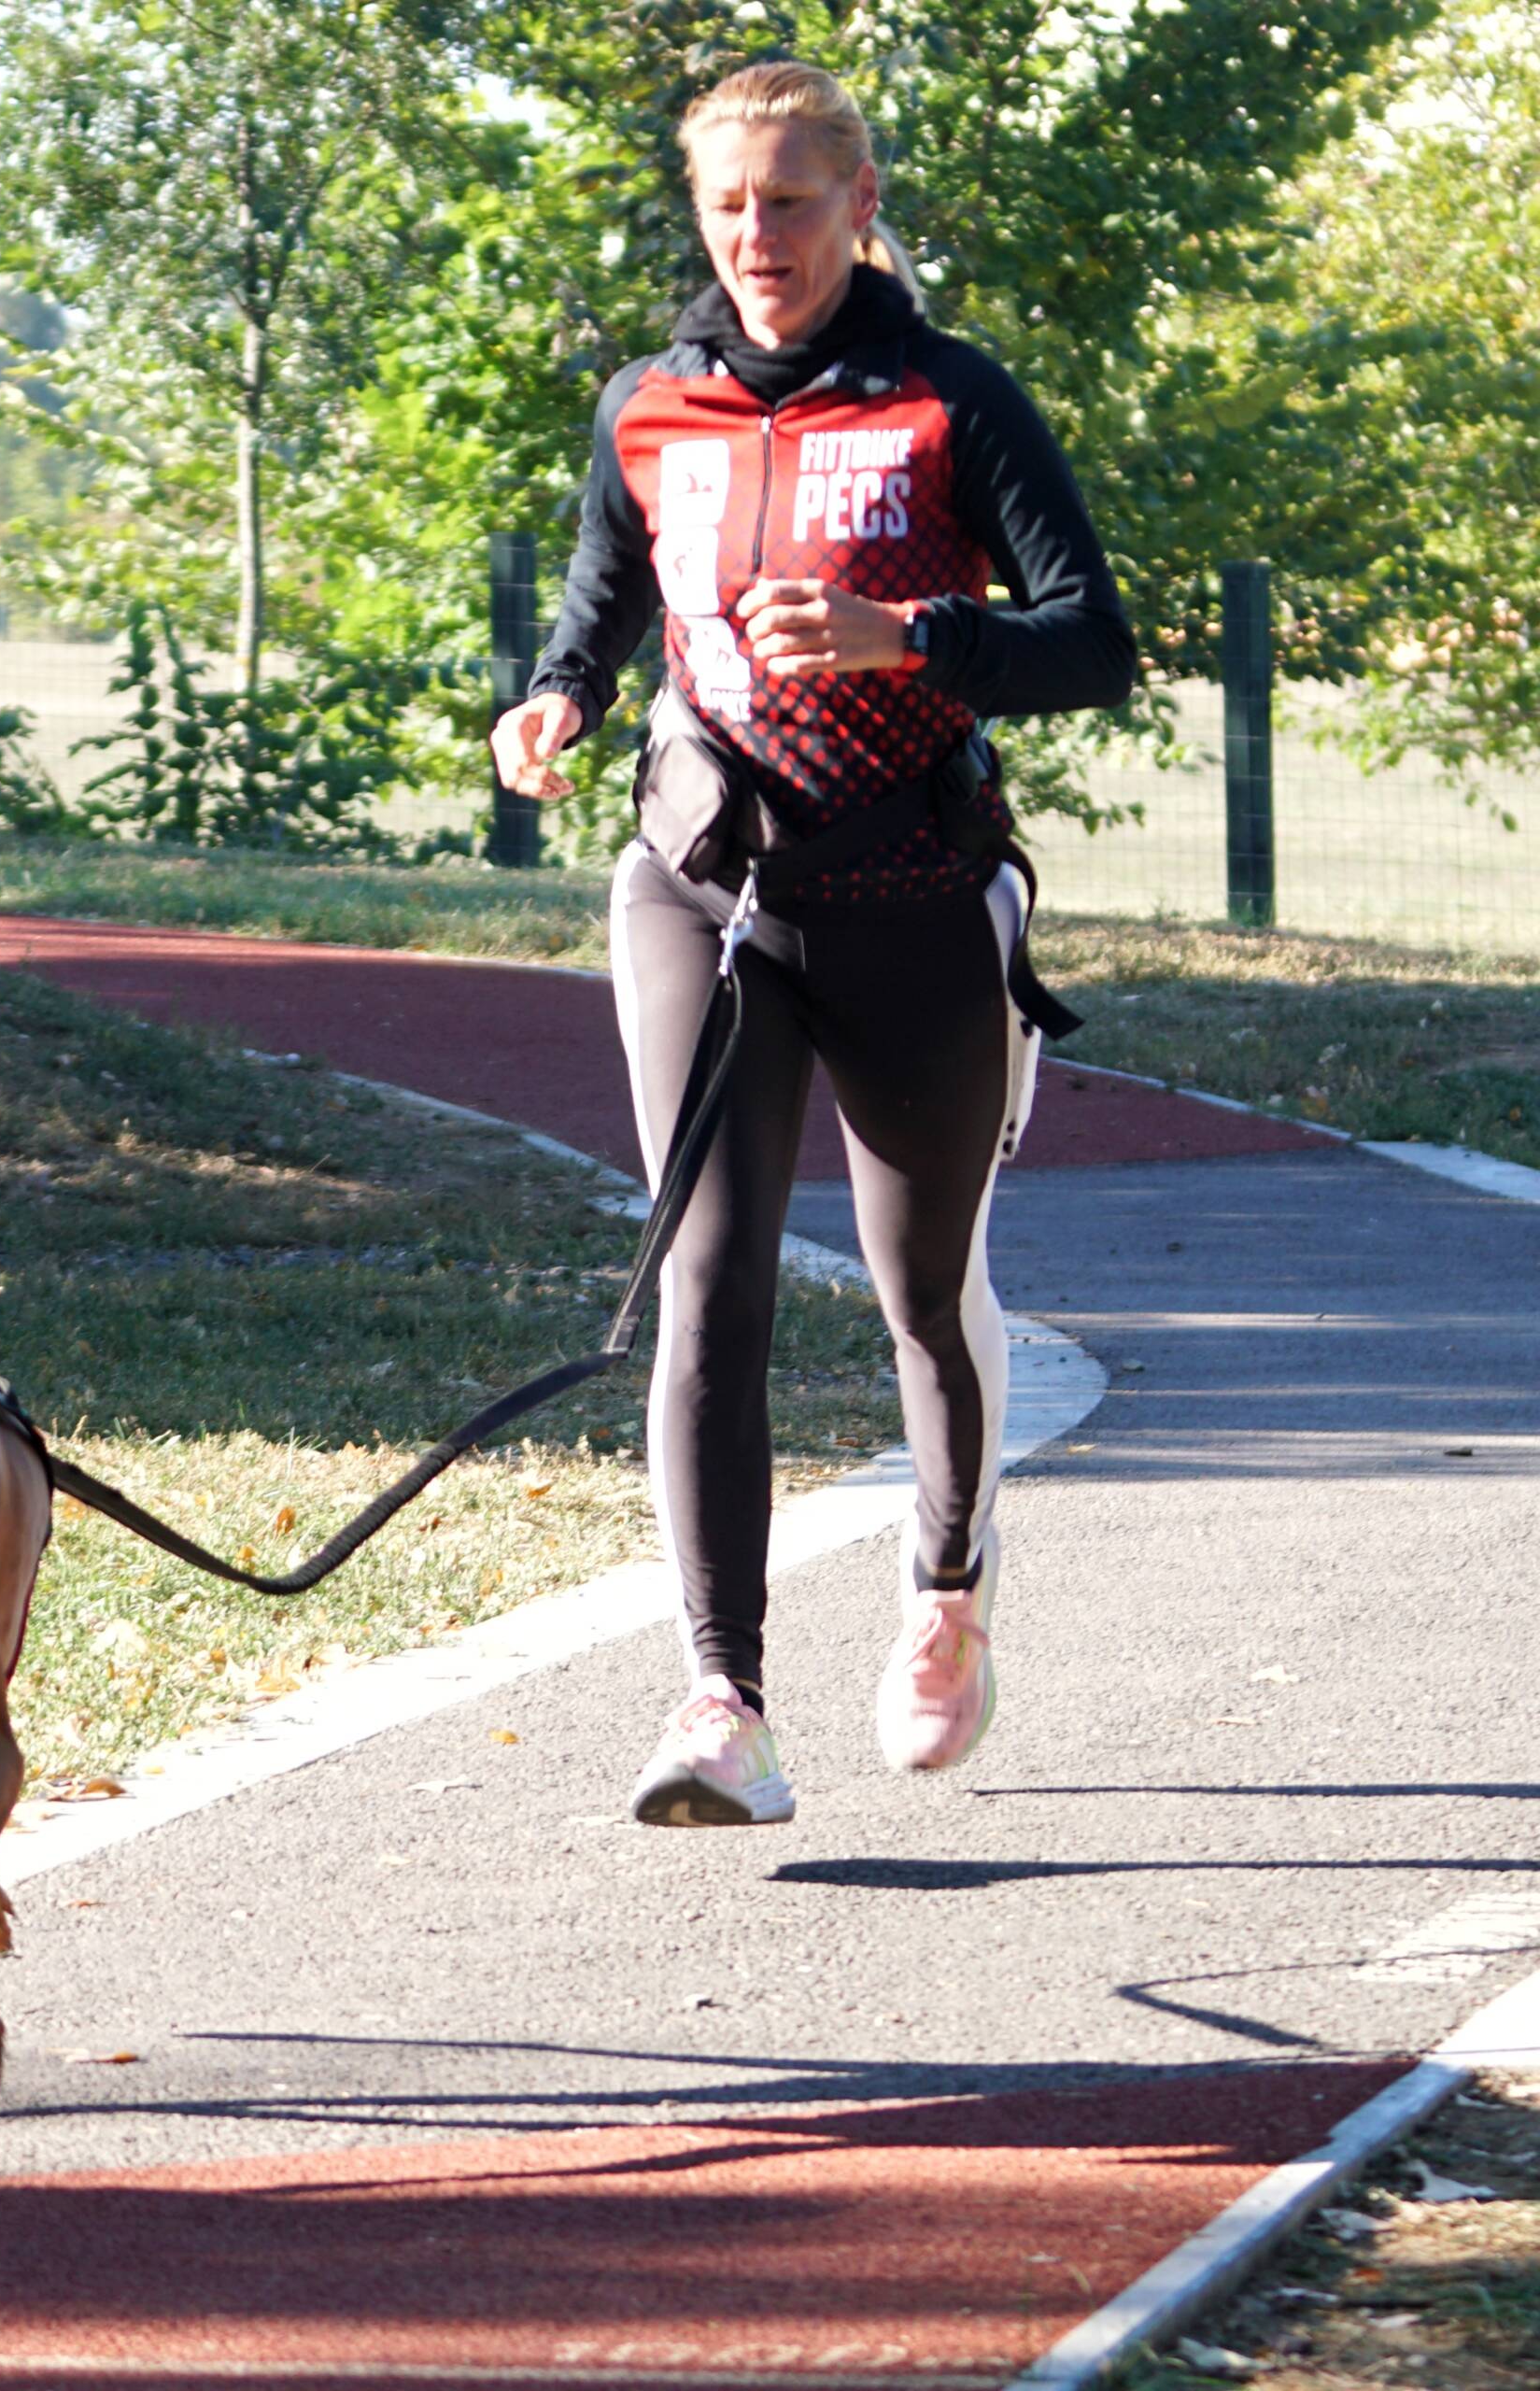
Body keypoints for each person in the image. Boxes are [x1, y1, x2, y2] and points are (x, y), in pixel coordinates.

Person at [490, 60, 1135, 1828]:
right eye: (727, 204)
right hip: (703, 894)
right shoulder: (650, 406)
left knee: (925, 1289)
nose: (755, 236)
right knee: (711, 1281)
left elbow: (1093, 641)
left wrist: (907, 635)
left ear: (860, 205)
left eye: (789, 200)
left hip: (915, 900)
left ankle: (950, 1583)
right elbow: (608, 588)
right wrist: (557, 695)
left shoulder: (950, 402)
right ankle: (724, 1702)